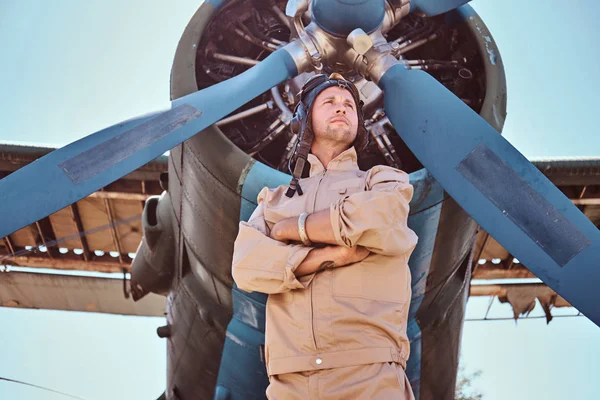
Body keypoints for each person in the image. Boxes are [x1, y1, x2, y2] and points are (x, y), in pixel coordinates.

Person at [232, 73, 418, 399]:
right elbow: (246, 266)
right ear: (302, 119)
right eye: (329, 102)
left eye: (349, 104)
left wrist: (293, 230)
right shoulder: (274, 199)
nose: (341, 108)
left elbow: (379, 219)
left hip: (370, 374)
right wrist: (326, 255)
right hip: (291, 383)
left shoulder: (385, 181)